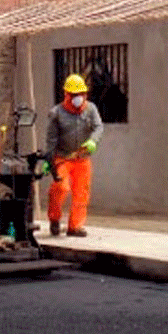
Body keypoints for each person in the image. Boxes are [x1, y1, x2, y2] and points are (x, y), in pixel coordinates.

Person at [39, 74, 104, 237]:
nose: (78, 98)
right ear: (66, 95)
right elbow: (51, 139)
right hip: (63, 158)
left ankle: (75, 227)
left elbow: (98, 127)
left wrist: (93, 141)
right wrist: (49, 160)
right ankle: (54, 218)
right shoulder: (56, 113)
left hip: (82, 158)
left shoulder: (91, 109)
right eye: (74, 95)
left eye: (81, 94)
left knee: (81, 193)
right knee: (61, 188)